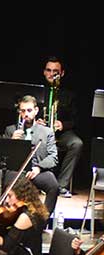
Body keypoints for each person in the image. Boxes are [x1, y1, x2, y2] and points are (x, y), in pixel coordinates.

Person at [3, 95, 59, 216]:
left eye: (29, 110)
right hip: (17, 170)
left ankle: (43, 218)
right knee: (9, 181)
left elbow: (53, 157)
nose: (26, 114)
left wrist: (38, 167)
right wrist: (12, 141)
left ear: (36, 111)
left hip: (37, 170)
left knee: (53, 185)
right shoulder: (10, 130)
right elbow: (2, 157)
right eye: (23, 111)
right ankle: (11, 218)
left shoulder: (47, 131)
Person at [39, 56, 82, 198]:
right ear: (44, 72)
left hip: (61, 134)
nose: (52, 74)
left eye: (55, 71)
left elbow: (77, 120)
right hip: (40, 133)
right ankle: (37, 184)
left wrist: (63, 125)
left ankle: (61, 186)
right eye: (49, 70)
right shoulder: (37, 91)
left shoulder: (70, 95)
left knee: (76, 143)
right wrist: (35, 121)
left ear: (62, 73)